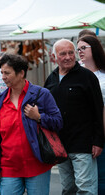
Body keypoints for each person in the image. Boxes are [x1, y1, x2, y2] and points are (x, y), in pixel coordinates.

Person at [0, 53, 62, 195]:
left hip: (37, 164)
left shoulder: (42, 94)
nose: (3, 77)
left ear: (21, 73)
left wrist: (39, 117)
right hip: (8, 167)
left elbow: (58, 122)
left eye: (7, 73)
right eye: (1, 73)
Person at [44, 39, 104, 195]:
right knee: (68, 189)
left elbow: (98, 109)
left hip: (84, 144)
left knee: (86, 189)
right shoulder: (51, 79)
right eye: (63, 53)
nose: (68, 57)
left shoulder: (87, 77)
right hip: (61, 146)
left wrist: (98, 141)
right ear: (54, 57)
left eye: (71, 52)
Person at [77, 35, 105, 195]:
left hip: (102, 128)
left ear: (94, 48)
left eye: (83, 48)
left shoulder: (103, 74)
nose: (79, 51)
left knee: (101, 177)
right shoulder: (77, 72)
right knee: (88, 179)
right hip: (86, 132)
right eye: (78, 49)